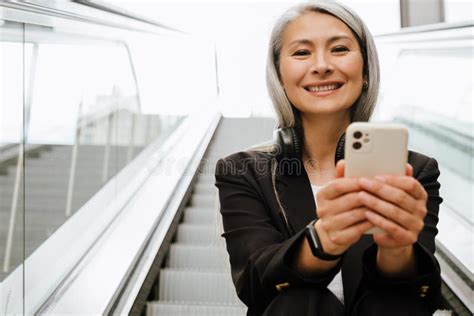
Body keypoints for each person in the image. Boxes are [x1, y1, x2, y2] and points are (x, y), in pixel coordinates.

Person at [214, 1, 443, 315]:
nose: (321, 65)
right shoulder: (242, 170)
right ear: (280, 75)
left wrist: (397, 246)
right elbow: (255, 285)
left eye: (339, 49)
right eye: (301, 52)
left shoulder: (415, 171)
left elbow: (419, 296)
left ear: (365, 72)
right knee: (299, 300)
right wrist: (324, 239)